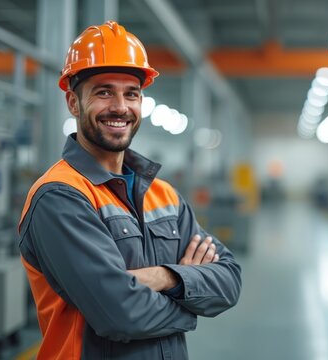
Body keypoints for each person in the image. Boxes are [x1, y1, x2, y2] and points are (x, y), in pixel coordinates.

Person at [18, 21, 242, 359]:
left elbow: (229, 280)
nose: (120, 107)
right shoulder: (60, 196)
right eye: (104, 91)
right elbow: (119, 315)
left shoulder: (163, 194)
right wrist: (190, 304)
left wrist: (165, 277)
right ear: (73, 103)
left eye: (131, 94)